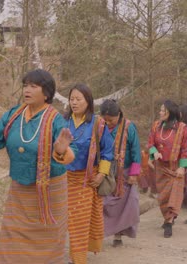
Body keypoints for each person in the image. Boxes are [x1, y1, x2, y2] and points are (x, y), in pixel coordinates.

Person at [0, 69, 75, 263]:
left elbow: (72, 151)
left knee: (45, 246)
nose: (27, 90)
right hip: (20, 193)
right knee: (13, 239)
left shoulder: (56, 120)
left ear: (46, 93)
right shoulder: (14, 115)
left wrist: (61, 150)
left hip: (48, 194)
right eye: (25, 85)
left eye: (33, 86)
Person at [64, 84, 114, 264]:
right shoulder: (63, 122)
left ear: (88, 101)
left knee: (78, 221)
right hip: (63, 179)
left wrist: (102, 173)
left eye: (79, 99)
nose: (74, 103)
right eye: (72, 99)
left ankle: (76, 258)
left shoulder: (98, 124)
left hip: (87, 180)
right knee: (65, 220)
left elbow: (108, 150)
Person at [100, 99, 141, 247]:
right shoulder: (100, 126)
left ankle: (118, 236)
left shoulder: (129, 127)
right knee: (104, 204)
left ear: (118, 115)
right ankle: (99, 233)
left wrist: (133, 174)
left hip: (124, 173)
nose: (108, 123)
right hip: (104, 172)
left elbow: (136, 151)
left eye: (111, 120)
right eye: (105, 120)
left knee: (124, 206)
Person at [148, 100, 187, 238]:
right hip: (161, 167)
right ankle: (167, 218)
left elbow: (186, 149)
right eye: (160, 110)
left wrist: (182, 167)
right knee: (163, 197)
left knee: (174, 196)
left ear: (170, 112)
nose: (160, 113)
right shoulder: (156, 126)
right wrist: (154, 152)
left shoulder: (183, 128)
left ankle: (169, 221)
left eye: (162, 110)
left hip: (175, 168)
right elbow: (150, 143)